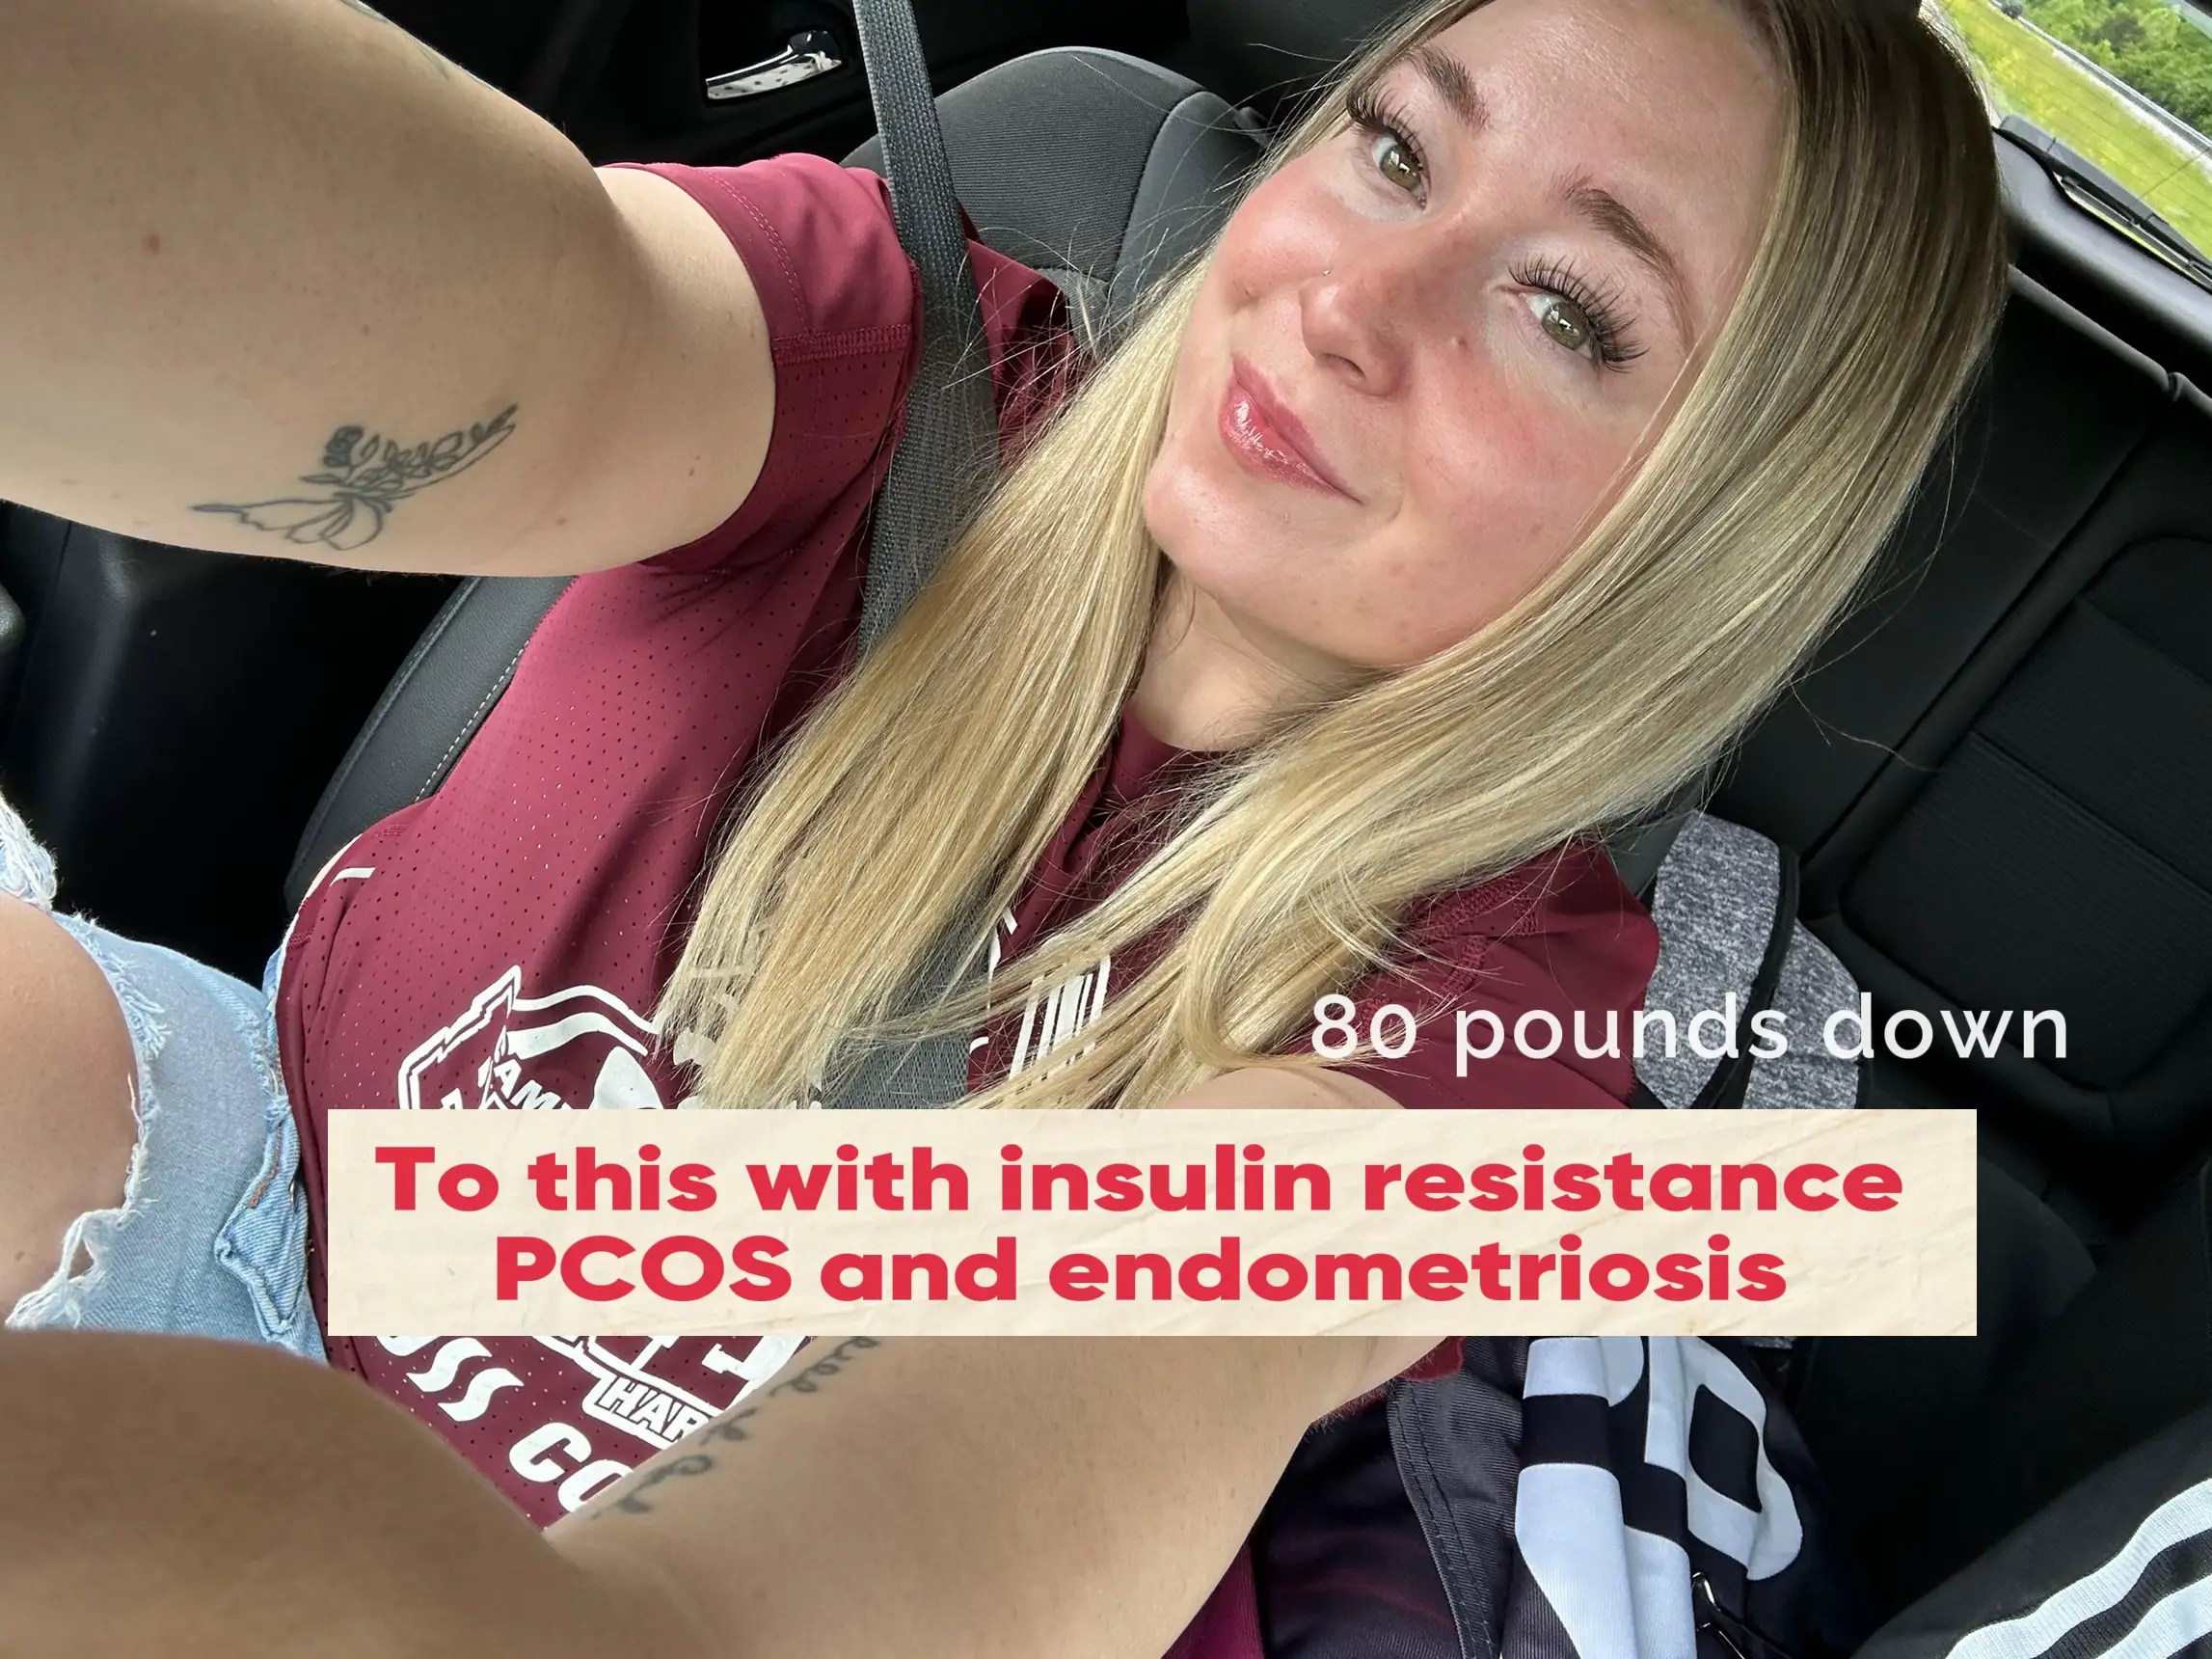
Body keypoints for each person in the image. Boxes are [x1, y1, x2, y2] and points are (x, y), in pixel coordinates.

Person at [0, 0, 2004, 1652]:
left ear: (1703, 531)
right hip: (272, 1177)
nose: (1347, 298)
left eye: (1565, 311)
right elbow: (539, 308)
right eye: (1396, 149)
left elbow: (1093, 1390)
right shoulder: (908, 351)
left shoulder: (1495, 1004)